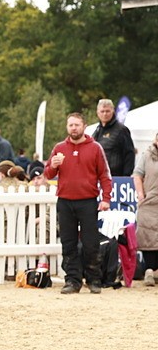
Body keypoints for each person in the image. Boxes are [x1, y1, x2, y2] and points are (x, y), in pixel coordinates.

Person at [43, 112, 112, 294]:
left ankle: (93, 279)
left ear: (84, 126)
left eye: (77, 125)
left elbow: (105, 175)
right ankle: (72, 280)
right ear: (67, 127)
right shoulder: (59, 147)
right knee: (68, 243)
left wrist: (106, 198)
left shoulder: (95, 148)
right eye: (70, 125)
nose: (73, 128)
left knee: (91, 244)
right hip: (65, 201)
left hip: (88, 201)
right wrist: (54, 165)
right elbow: (48, 174)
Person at [132, 131, 158, 286]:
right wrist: (141, 195)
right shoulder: (146, 155)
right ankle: (149, 269)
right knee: (148, 236)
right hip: (149, 202)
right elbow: (137, 175)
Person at [91, 98, 135, 177]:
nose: (105, 114)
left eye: (107, 111)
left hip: (116, 177)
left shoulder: (121, 130)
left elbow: (130, 154)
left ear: (113, 111)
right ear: (97, 112)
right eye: (102, 111)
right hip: (98, 177)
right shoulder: (97, 131)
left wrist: (125, 177)